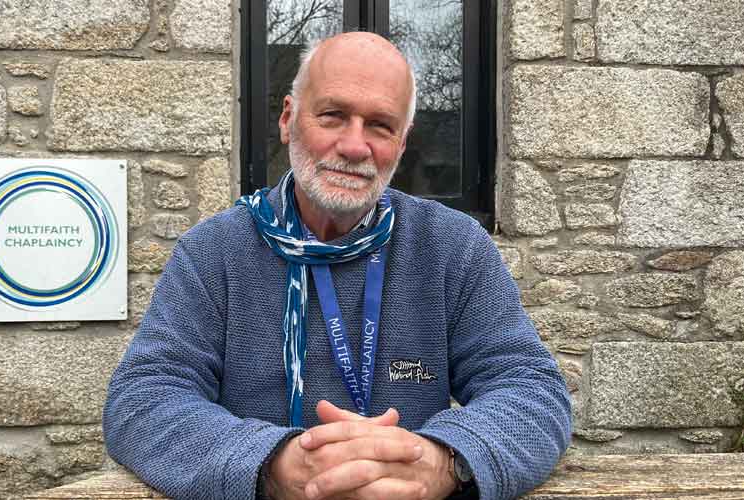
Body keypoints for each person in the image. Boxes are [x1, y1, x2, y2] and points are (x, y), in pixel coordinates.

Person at [104, 32, 571, 500]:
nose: (353, 146)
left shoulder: (454, 247)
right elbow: (144, 399)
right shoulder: (214, 251)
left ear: (402, 143)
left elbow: (531, 390)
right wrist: (272, 463)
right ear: (288, 119)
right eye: (332, 115)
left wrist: (441, 460)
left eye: (380, 126)